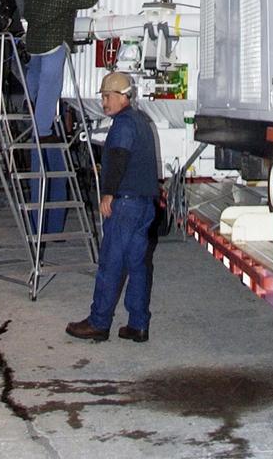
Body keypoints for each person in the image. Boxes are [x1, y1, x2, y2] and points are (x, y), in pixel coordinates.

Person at [66, 71, 159, 344]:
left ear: (123, 97)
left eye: (107, 96)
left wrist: (108, 194)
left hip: (125, 205)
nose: (104, 102)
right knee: (138, 264)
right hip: (144, 205)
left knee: (111, 263)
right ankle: (138, 324)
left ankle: (98, 322)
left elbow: (118, 158)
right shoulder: (142, 122)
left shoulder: (123, 124)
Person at [23, 0, 104, 136]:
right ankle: (42, 131)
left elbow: (26, 12)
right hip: (54, 45)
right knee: (50, 87)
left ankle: (29, 108)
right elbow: (88, 0)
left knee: (34, 81)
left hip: (34, 45)